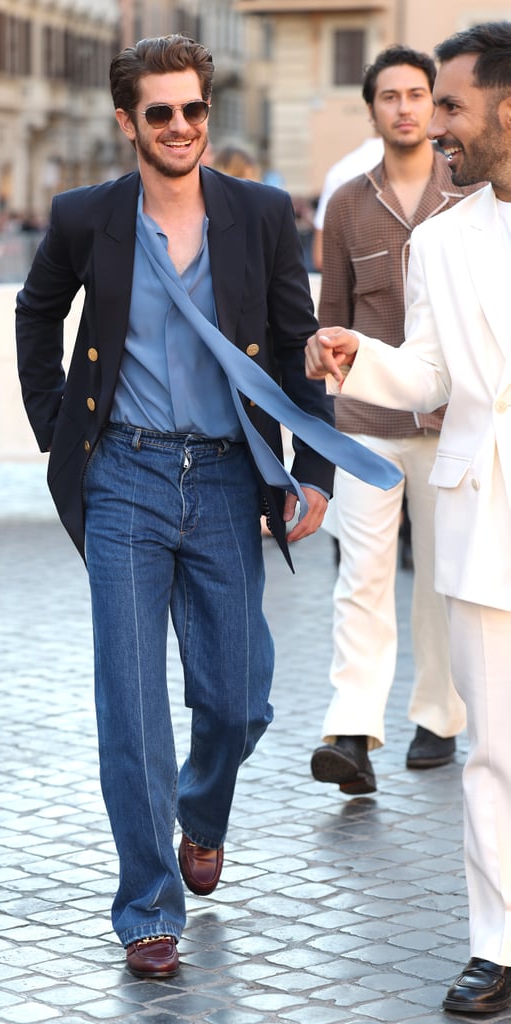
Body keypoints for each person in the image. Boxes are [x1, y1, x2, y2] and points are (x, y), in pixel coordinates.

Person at [16, 33, 400, 979]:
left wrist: (312, 472)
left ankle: (201, 807)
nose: (180, 126)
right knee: (132, 704)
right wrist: (56, 427)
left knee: (238, 701)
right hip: (125, 481)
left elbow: (298, 346)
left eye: (192, 109)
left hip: (230, 480)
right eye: (160, 113)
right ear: (127, 123)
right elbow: (35, 313)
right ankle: (148, 906)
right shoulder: (84, 218)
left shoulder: (261, 215)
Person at [305, 21, 511, 1014]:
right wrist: (361, 356)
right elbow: (428, 367)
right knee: (491, 753)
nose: (436, 127)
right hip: (479, 516)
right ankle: (494, 945)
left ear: (506, 110)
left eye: (452, 107)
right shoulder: (437, 239)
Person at [309, 45, 473, 797]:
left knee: (440, 581)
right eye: (390, 96)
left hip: (449, 424)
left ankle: (439, 717)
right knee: (360, 574)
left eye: (419, 95)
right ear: (370, 108)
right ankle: (350, 729)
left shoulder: (470, 194)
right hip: (366, 422)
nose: (406, 108)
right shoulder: (344, 204)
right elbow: (331, 320)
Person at [311, 135, 384, 271]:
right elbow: (322, 254)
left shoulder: (342, 171)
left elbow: (321, 256)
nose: (405, 111)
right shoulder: (343, 172)